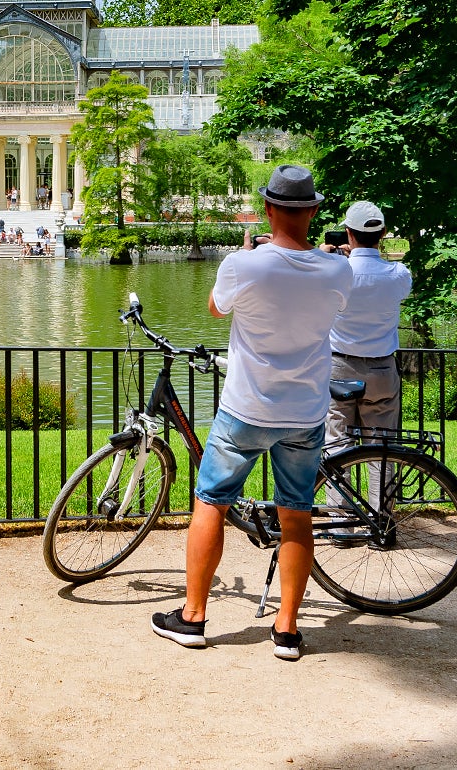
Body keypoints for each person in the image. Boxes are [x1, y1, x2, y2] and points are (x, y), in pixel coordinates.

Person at [151, 164, 352, 662]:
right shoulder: (339, 270)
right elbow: (329, 301)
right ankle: (286, 630)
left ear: (267, 209)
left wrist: (247, 255)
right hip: (305, 411)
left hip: (247, 406)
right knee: (297, 515)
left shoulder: (245, 265)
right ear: (313, 211)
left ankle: (194, 617)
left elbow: (217, 309)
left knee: (211, 501)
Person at [321, 201, 413, 454]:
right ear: (382, 234)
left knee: (336, 446)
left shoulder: (335, 272)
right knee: (382, 451)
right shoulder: (398, 273)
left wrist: (324, 258)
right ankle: (382, 496)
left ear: (348, 233)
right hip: (382, 368)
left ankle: (339, 494)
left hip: (339, 367)